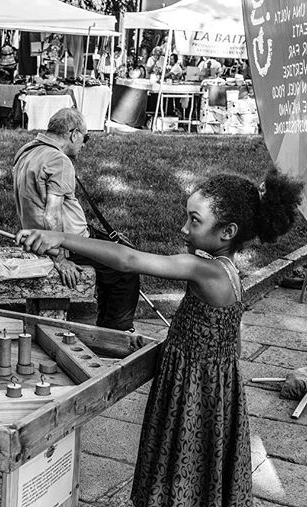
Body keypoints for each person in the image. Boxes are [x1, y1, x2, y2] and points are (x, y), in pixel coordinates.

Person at [16, 169, 304, 507]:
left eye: (194, 220)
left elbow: (129, 259)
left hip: (192, 389)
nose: (184, 228)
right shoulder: (229, 271)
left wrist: (60, 238)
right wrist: (181, 342)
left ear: (227, 232)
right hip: (215, 386)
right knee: (204, 461)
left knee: (181, 458)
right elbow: (230, 339)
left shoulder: (205, 270)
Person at [12, 108, 140, 331]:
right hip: (64, 244)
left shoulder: (27, 150)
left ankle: (107, 327)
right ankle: (114, 334)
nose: (84, 143)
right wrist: (60, 259)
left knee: (121, 246)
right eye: (85, 137)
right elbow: (51, 214)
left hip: (39, 236)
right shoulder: (59, 160)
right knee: (124, 269)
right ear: (73, 134)